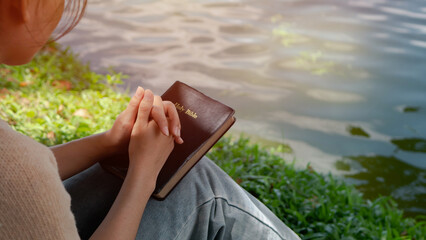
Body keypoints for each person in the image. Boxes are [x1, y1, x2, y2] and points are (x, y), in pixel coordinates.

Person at [0, 0, 300, 239]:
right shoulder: (21, 166)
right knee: (199, 187)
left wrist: (106, 144)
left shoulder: (17, 162)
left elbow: (11, 175)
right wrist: (144, 176)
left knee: (177, 174)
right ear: (26, 5)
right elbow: (18, 173)